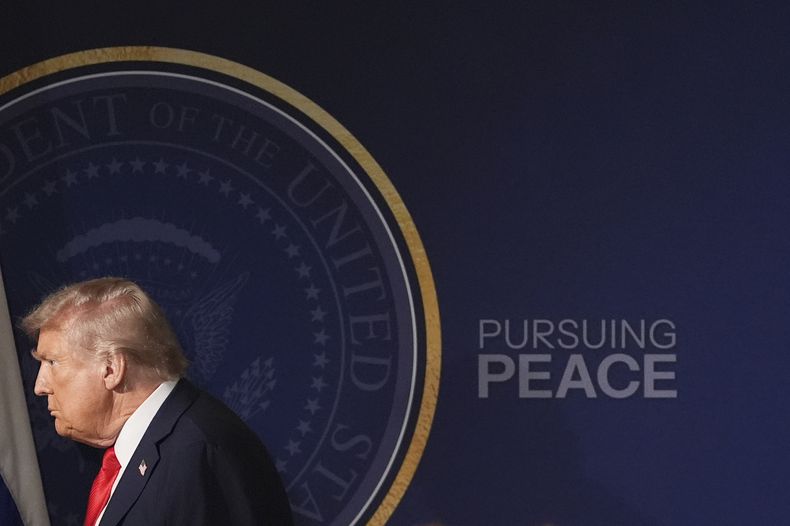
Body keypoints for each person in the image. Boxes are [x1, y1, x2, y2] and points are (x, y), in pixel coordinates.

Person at [22, 277, 293, 526]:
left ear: (111, 369)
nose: (40, 387)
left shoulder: (197, 452)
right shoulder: (153, 448)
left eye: (52, 362)